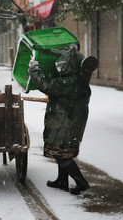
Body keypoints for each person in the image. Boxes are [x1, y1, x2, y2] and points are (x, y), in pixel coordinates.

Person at [28, 46, 91, 195]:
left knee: (61, 154)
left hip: (65, 122)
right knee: (62, 152)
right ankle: (62, 181)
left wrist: (34, 69)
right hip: (70, 122)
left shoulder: (69, 83)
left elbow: (46, 85)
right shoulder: (78, 81)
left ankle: (82, 183)